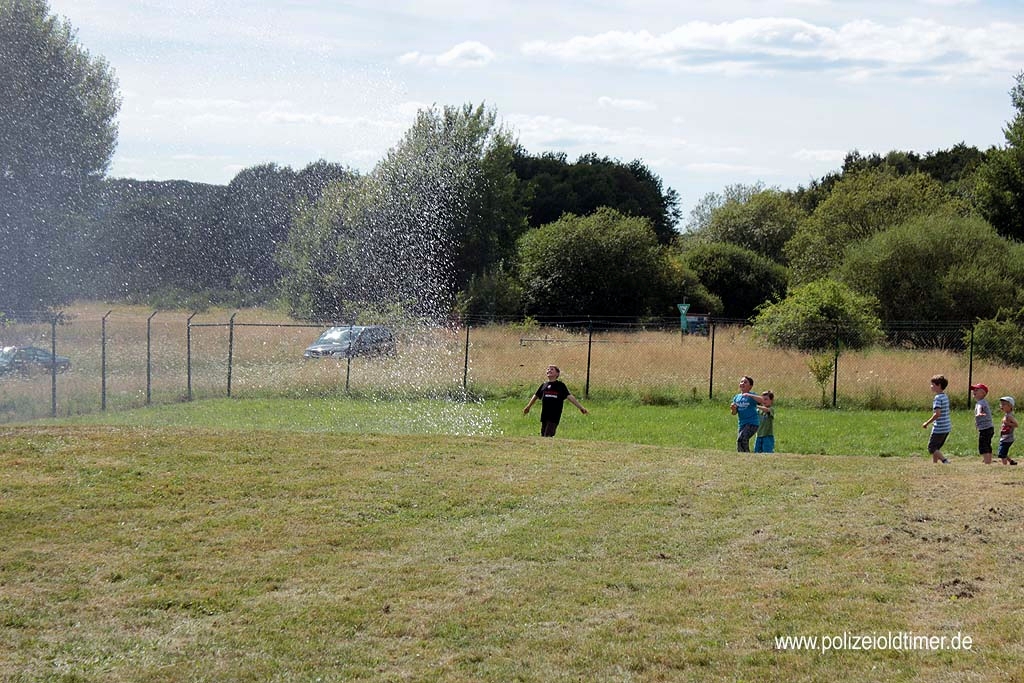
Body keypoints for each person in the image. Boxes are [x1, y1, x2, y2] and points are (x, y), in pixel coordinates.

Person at [523, 365, 587, 437]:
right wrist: (528, 406)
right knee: (543, 433)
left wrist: (580, 407)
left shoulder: (560, 385)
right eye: (548, 369)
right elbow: (536, 396)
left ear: (557, 374)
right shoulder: (544, 385)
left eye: (552, 369)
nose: (549, 370)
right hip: (545, 414)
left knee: (548, 434)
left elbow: (569, 397)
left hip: (554, 414)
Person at [921, 374, 951, 464]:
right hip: (946, 427)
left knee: (931, 447)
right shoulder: (945, 396)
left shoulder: (937, 398)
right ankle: (935, 463)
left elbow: (937, 414)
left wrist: (927, 423)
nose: (931, 386)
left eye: (933, 384)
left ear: (938, 385)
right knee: (937, 447)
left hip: (939, 427)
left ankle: (944, 460)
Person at [730, 376, 765, 452]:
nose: (742, 383)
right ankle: (742, 456)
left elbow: (762, 400)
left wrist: (749, 395)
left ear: (750, 386)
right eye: (741, 381)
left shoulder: (752, 395)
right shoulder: (737, 397)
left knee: (742, 438)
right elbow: (734, 413)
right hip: (742, 424)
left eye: (745, 382)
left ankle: (746, 455)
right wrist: (733, 409)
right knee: (740, 441)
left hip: (752, 423)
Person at [971, 383, 994, 464]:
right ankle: (988, 459)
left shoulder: (981, 402)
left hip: (985, 428)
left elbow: (979, 409)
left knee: (983, 444)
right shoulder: (981, 402)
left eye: (977, 390)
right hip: (988, 427)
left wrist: (979, 413)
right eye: (974, 390)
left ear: (983, 393)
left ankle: (987, 461)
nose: (974, 391)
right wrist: (977, 423)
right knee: (987, 444)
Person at [997, 396, 1018, 465]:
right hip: (1004, 437)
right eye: (1001, 404)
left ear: (1010, 406)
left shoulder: (1009, 416)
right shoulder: (1006, 415)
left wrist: (1007, 423)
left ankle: (1004, 465)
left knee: (1002, 453)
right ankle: (1011, 461)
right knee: (1003, 452)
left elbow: (1016, 424)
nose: (1001, 406)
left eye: (1004, 404)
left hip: (1008, 438)